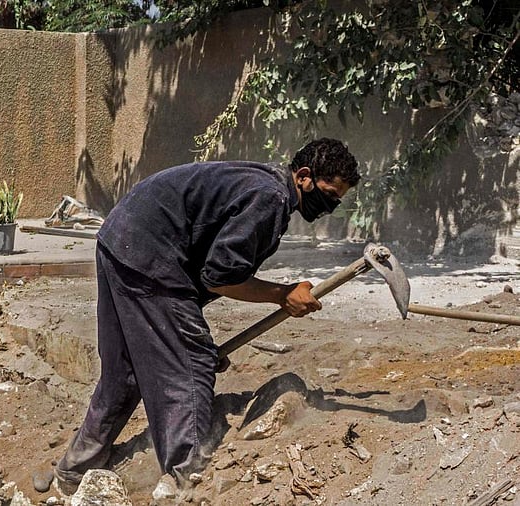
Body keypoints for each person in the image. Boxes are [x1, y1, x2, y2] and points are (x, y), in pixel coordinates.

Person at [54, 138, 361, 496]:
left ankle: (76, 471)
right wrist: (282, 294)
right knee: (192, 366)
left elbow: (204, 269)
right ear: (305, 176)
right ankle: (185, 480)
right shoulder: (271, 199)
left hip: (120, 239)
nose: (331, 205)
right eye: (329, 193)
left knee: (124, 373)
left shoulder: (263, 183)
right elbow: (221, 276)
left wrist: (186, 336)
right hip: (148, 254)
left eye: (337, 200)